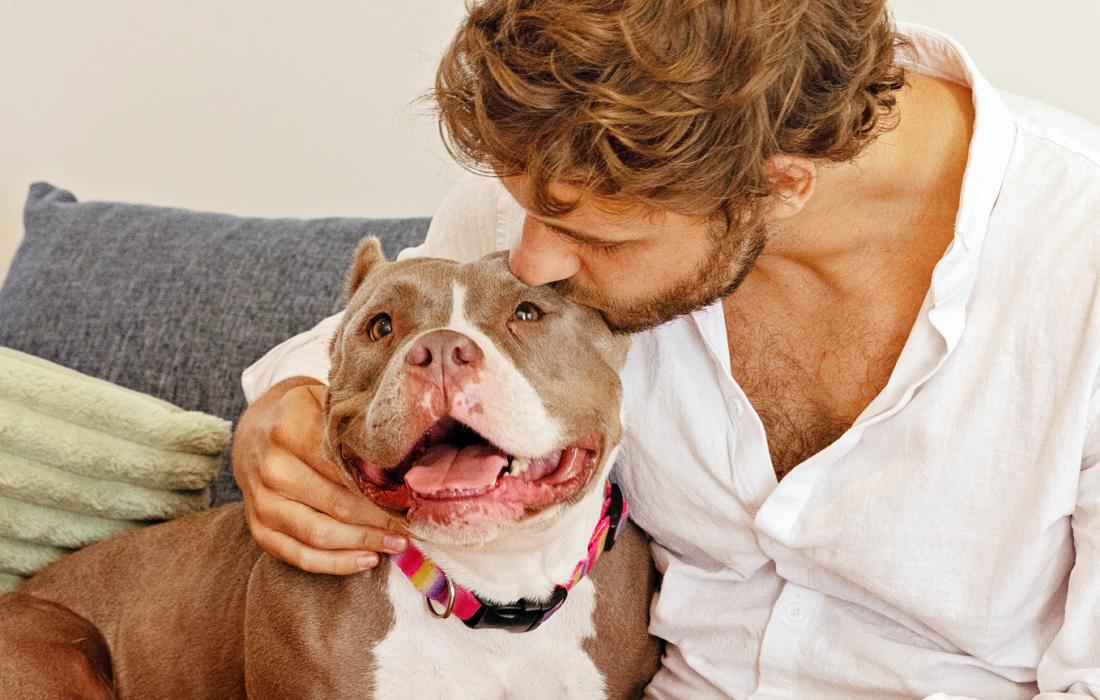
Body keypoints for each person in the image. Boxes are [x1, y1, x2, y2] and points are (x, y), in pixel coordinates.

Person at [231, 1, 1100, 697]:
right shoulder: (570, 178)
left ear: (779, 186)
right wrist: (278, 420)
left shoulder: (1077, 272)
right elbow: (355, 356)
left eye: (586, 235)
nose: (531, 260)